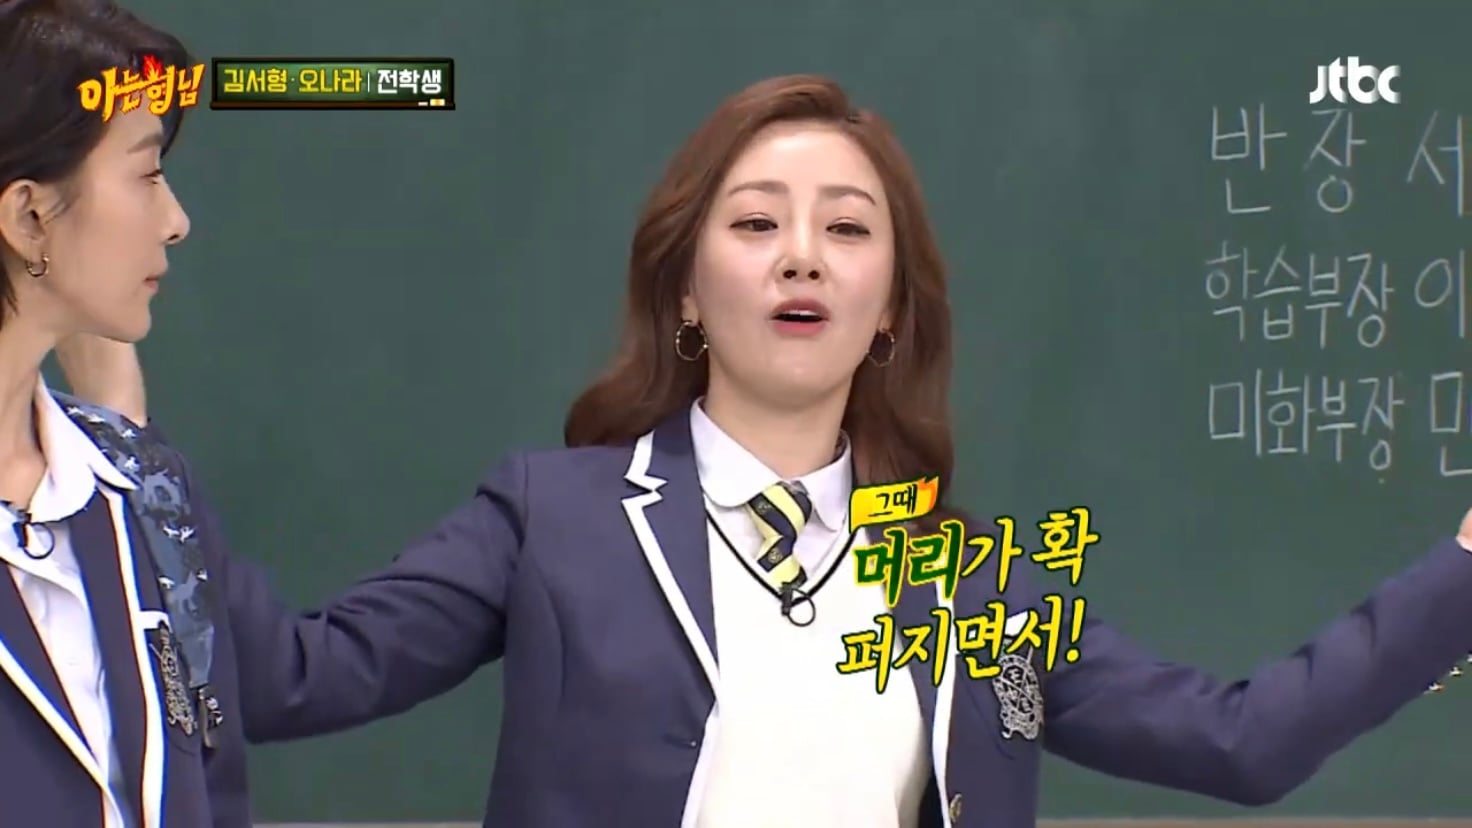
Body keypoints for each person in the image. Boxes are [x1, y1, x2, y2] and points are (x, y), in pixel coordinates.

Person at [92, 75, 1472, 827]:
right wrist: (124, 448)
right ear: (688, 292)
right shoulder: (553, 521)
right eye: (756, 224)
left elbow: (1241, 743)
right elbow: (285, 679)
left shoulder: (972, 592)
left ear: (890, 309)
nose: (802, 254)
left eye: (847, 229)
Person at [0, 2, 255, 826]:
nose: (176, 221)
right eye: (146, 175)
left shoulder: (142, 485)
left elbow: (212, 786)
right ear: (28, 215)